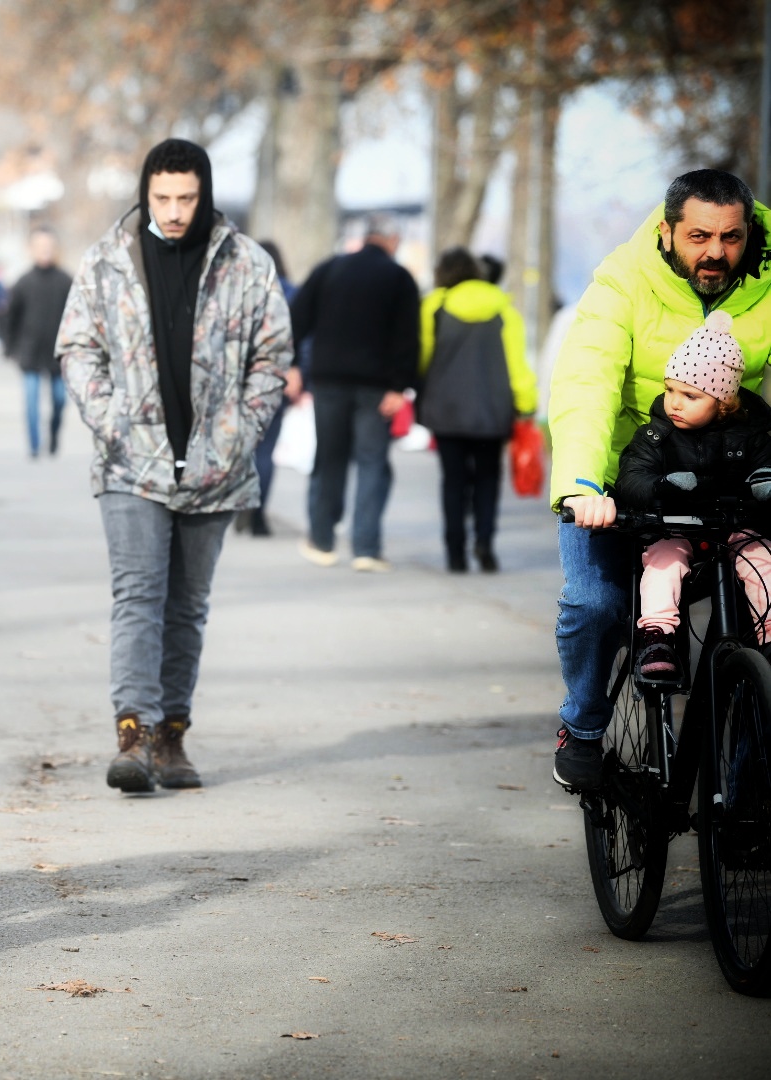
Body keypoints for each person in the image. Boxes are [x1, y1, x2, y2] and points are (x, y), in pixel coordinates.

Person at [60, 138, 291, 793]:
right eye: (162, 197)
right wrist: (111, 420)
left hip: (216, 465)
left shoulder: (247, 264)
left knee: (187, 607)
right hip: (130, 465)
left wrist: (239, 433)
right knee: (139, 595)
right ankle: (133, 735)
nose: (174, 210)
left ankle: (171, 738)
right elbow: (77, 347)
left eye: (186, 197)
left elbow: (273, 355)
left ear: (204, 193)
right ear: (146, 192)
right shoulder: (107, 261)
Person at [549, 168, 771, 791]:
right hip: (624, 479)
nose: (716, 252)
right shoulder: (623, 281)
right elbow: (587, 382)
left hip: (727, 479)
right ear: (668, 232)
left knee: (760, 609)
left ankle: (750, 780)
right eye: (699, 236)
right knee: (597, 603)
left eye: (731, 237)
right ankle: (583, 726)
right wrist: (582, 486)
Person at [616, 312, 771, 679]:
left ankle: (768, 635)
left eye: (690, 395)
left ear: (723, 402)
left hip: (733, 526)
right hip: (676, 526)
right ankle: (658, 636)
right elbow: (632, 478)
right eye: (670, 390)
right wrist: (661, 486)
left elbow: (765, 465)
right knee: (663, 561)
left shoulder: (751, 434)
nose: (675, 403)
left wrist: (764, 483)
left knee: (762, 557)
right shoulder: (656, 436)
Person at [289, 213, 421, 573]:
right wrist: (399, 386)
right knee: (371, 463)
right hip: (377, 388)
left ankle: (321, 542)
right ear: (392, 240)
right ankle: (366, 549)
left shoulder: (330, 268)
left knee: (329, 459)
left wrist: (292, 365)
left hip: (329, 382)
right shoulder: (399, 277)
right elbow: (408, 336)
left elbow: (296, 318)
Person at [417, 247, 537, 573]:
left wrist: (419, 390)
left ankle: (455, 552)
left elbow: (422, 357)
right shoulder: (503, 307)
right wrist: (526, 404)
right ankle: (485, 544)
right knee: (488, 478)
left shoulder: (435, 306)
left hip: (446, 409)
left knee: (453, 480)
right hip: (492, 411)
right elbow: (517, 365)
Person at [236, 240, 305, 537]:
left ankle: (241, 502)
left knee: (241, 447)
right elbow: (303, 337)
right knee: (266, 449)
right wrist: (299, 371)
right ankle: (258, 513)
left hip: (238, 379)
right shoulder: (291, 293)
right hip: (276, 377)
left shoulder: (237, 290)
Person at [3, 227, 74, 458]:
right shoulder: (23, 282)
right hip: (30, 352)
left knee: (60, 400)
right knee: (31, 403)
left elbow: (76, 317)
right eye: (40, 247)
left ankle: (53, 434)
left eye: (49, 246)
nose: (45, 251)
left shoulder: (66, 281)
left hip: (59, 353)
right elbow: (10, 317)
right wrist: (9, 347)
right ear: (31, 249)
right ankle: (34, 445)